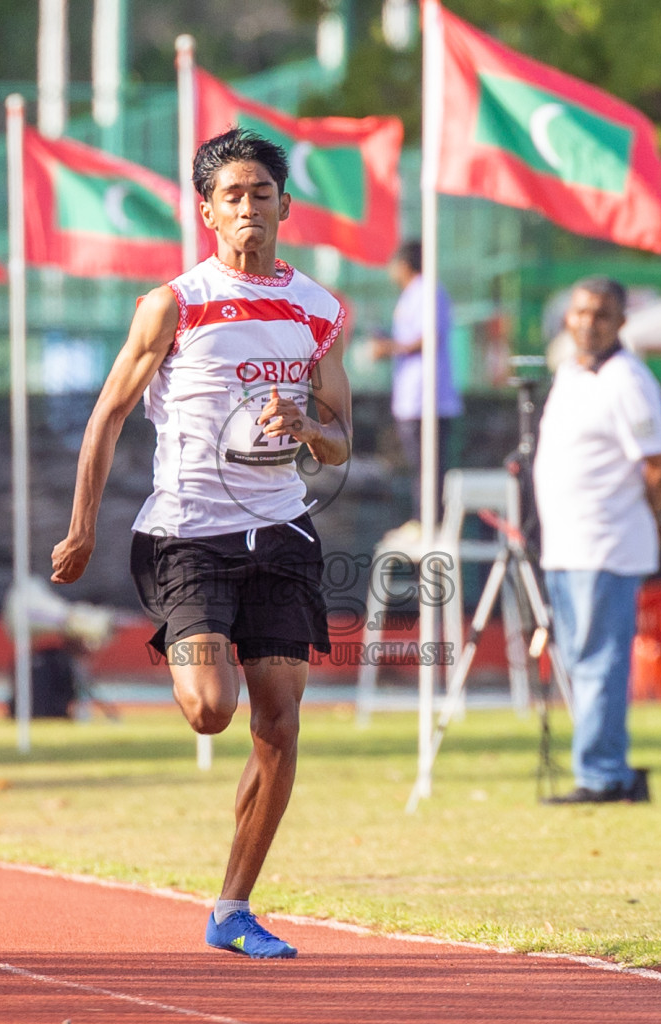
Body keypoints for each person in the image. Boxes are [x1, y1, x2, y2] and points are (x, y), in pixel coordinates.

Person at [51, 128, 351, 959]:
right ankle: (192, 654)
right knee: (212, 711)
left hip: (283, 530)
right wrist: (82, 526)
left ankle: (233, 906)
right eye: (232, 195)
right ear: (207, 211)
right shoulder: (173, 304)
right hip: (188, 533)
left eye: (262, 193)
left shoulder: (320, 311)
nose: (248, 207)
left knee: (280, 725)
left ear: (285, 206)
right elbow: (110, 411)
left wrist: (308, 427)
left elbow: (342, 440)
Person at [533, 277, 661, 804]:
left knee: (598, 661)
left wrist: (645, 514)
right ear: (568, 319)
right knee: (579, 661)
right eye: (581, 312)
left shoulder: (627, 379)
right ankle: (604, 768)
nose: (589, 323)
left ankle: (602, 775)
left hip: (606, 544)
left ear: (621, 322)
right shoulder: (571, 373)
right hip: (566, 544)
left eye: (602, 314)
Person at [369, 239, 462, 523]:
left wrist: (388, 348)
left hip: (429, 398)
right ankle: (422, 518)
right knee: (418, 467)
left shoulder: (428, 292)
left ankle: (429, 520)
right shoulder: (412, 294)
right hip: (412, 398)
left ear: (404, 264)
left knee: (430, 468)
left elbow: (427, 337)